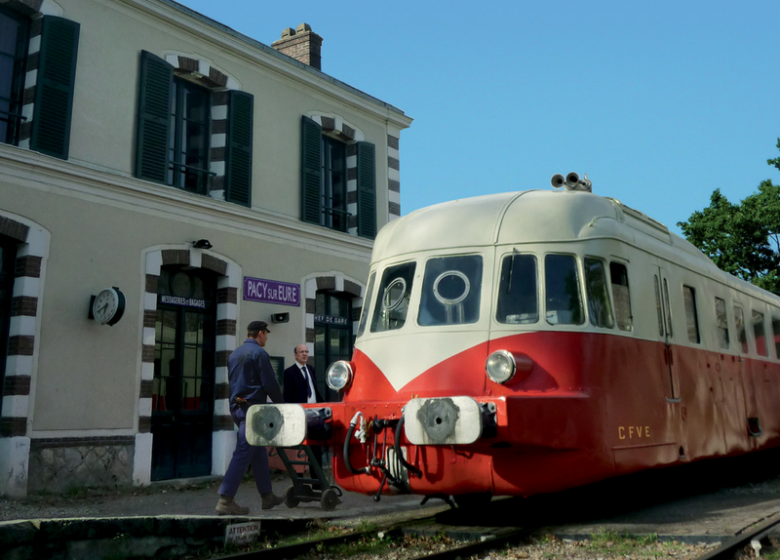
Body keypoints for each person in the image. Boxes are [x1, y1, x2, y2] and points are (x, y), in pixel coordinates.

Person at [216, 321, 285, 515]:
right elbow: (270, 383)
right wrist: (282, 403)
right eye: (266, 334)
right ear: (261, 333)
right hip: (253, 410)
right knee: (243, 452)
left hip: (237, 407)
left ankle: (267, 497)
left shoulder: (234, 354)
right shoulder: (259, 353)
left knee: (258, 451)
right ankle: (225, 499)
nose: (267, 338)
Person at [283, 344, 324, 473]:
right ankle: (299, 477)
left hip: (314, 413)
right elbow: (287, 397)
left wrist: (325, 405)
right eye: (301, 352)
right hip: (299, 414)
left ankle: (317, 479)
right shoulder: (289, 373)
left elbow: (314, 392)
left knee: (316, 446)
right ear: (295, 355)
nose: (304, 354)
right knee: (300, 447)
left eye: (306, 351)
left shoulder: (311, 369)